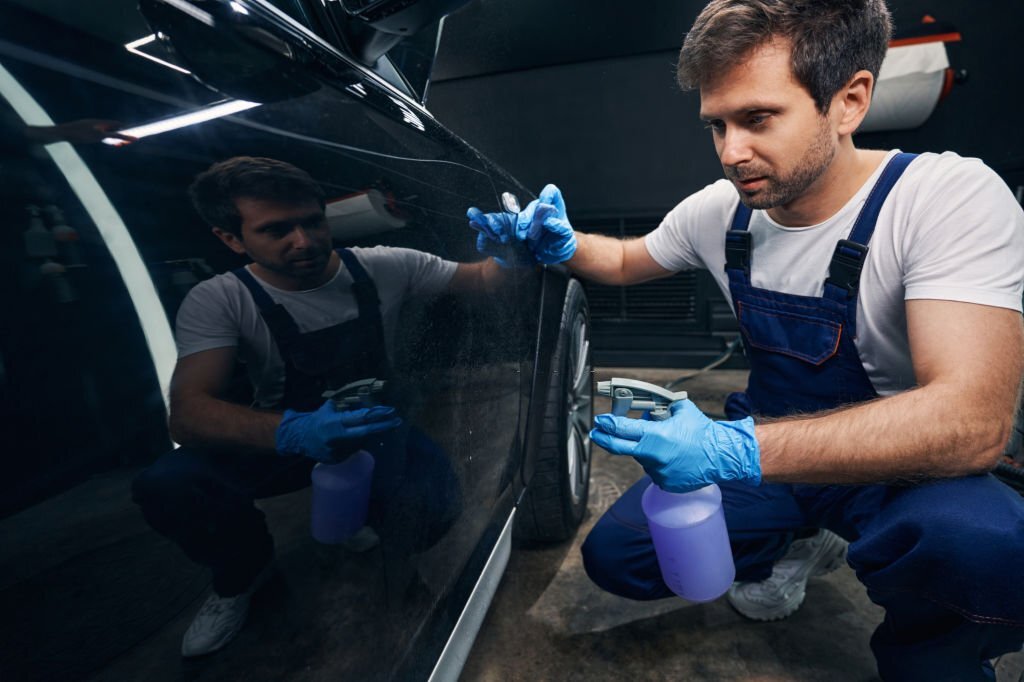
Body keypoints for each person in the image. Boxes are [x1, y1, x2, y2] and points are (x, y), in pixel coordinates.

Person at [467, 1, 1024, 678]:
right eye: (717, 126)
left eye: (758, 119)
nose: (732, 152)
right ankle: (798, 540)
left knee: (984, 550)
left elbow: (973, 423)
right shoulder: (721, 212)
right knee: (621, 556)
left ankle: (932, 655)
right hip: (774, 450)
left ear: (848, 102)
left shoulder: (944, 199)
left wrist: (734, 451)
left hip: (896, 472)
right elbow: (622, 261)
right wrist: (555, 245)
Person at [133, 156, 499, 658]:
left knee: (433, 504)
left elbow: (481, 280)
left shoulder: (383, 266)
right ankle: (243, 573)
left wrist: (513, 251)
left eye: (312, 221)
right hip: (284, 436)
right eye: (276, 230)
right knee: (169, 484)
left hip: (372, 428)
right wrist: (292, 431)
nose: (303, 241)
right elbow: (188, 413)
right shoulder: (219, 299)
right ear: (231, 239)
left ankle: (383, 540)